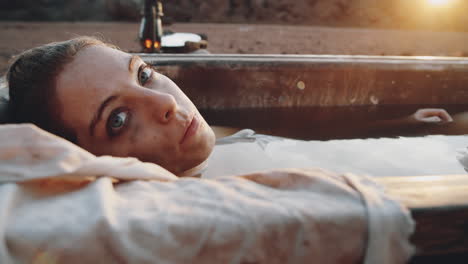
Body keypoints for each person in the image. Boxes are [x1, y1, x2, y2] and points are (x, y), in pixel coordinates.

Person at [4, 36, 467, 177]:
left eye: (143, 74)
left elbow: (294, 139)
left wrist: (403, 122)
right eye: (117, 119)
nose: (165, 101)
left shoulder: (212, 143)